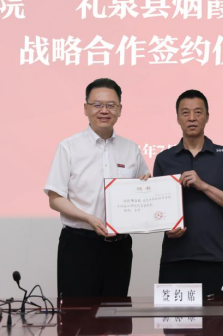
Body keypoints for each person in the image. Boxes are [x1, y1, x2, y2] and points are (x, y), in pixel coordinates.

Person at [44, 78, 150, 298]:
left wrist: (147, 188)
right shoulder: (69, 147)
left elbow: (143, 190)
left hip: (119, 247)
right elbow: (55, 198)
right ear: (86, 108)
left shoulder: (131, 149)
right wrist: (89, 218)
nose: (104, 110)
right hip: (79, 245)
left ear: (120, 109)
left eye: (111, 105)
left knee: (116, 313)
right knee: (77, 314)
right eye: (97, 105)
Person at [153, 89, 223, 298]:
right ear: (178, 118)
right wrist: (166, 228)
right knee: (171, 319)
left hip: (214, 259)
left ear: (207, 117)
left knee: (216, 319)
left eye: (198, 112)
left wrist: (203, 185)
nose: (192, 118)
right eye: (185, 112)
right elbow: (157, 211)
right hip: (174, 259)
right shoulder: (164, 159)